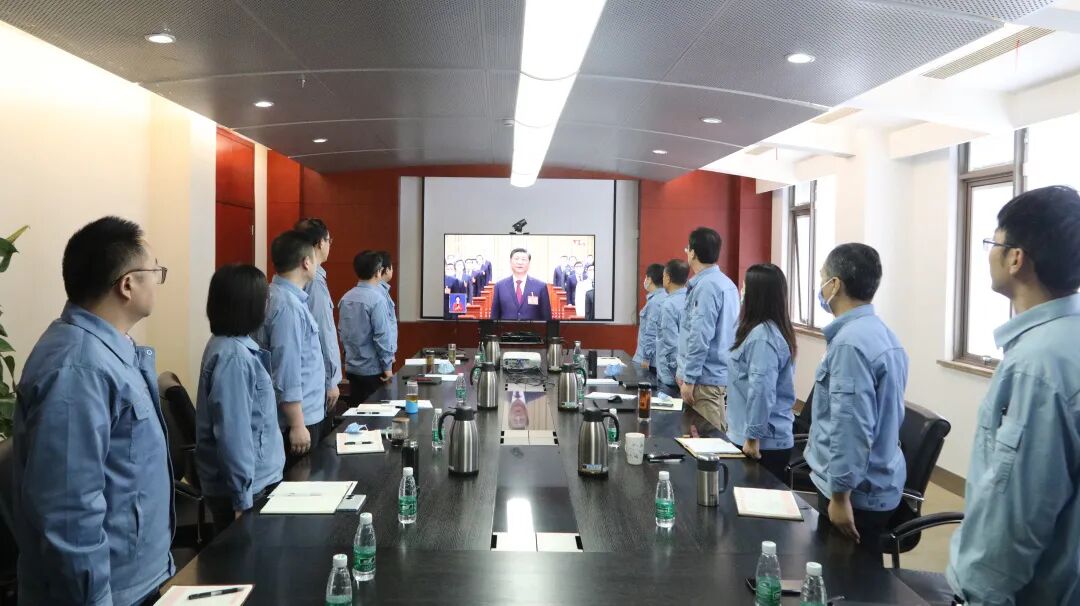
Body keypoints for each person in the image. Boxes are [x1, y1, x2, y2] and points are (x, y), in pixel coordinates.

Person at [14, 217, 174, 605]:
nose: (158, 281)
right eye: (155, 271)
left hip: (136, 577)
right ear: (127, 284)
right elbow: (70, 514)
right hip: (108, 593)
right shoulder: (79, 369)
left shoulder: (109, 351)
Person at [947, 186, 1080, 604]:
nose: (990, 254)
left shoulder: (1036, 366)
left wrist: (976, 594)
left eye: (994, 243)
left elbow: (1017, 516)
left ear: (1016, 258)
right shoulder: (1067, 342)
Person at [804, 243, 908, 548]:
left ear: (835, 285)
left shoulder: (850, 344)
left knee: (839, 572)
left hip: (854, 496)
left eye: (822, 278)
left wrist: (840, 496)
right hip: (876, 483)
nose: (821, 286)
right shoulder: (882, 334)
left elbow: (850, 426)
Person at [195, 264, 284, 534]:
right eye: (264, 298)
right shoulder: (234, 357)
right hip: (248, 489)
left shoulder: (228, 345)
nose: (267, 304)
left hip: (253, 482)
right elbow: (234, 434)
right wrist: (242, 498)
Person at [257, 230, 325, 460]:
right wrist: (297, 424)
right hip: (298, 420)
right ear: (306, 262)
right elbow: (286, 368)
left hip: (303, 415)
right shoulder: (288, 306)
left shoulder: (279, 296)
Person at [726, 264, 797, 482]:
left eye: (745, 287)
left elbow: (761, 390)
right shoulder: (761, 330)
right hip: (753, 437)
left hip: (761, 445)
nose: (742, 291)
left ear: (757, 295)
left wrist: (753, 437)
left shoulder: (762, 337)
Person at [676, 227, 740, 436]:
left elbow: (699, 336)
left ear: (693, 253)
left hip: (703, 381)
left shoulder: (706, 287)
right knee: (714, 438)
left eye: (688, 249)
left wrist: (689, 378)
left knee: (709, 444)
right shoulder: (726, 283)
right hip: (717, 376)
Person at [295, 218, 341, 422]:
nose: (330, 245)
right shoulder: (315, 283)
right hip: (317, 384)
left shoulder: (306, 277)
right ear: (320, 243)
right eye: (329, 240)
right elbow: (323, 334)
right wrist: (331, 381)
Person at [339, 252, 395, 404]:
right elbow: (382, 336)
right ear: (378, 272)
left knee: (356, 410)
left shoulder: (346, 298)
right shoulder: (377, 300)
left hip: (352, 368)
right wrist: (388, 367)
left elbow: (342, 333)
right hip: (373, 370)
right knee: (376, 413)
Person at [489, 248, 551, 321]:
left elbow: (547, 317)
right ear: (510, 262)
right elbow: (494, 316)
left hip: (532, 328)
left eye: (523, 259)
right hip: (506, 328)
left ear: (529, 263)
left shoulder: (540, 286)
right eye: (516, 259)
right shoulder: (499, 286)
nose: (520, 262)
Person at [656, 259, 690, 388]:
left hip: (671, 375)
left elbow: (671, 343)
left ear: (668, 278)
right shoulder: (691, 298)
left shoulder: (668, 305)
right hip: (689, 370)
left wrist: (677, 372)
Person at [633, 263, 667, 371]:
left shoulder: (655, 302)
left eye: (646, 278)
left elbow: (651, 332)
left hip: (649, 362)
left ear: (650, 279)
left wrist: (646, 357)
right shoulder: (666, 297)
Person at [376, 250, 399, 364]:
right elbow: (383, 330)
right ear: (386, 269)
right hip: (383, 358)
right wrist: (388, 358)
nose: (392, 270)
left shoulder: (382, 290)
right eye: (392, 267)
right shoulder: (379, 293)